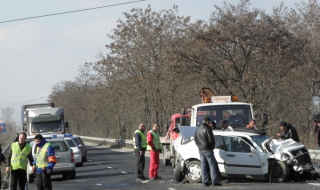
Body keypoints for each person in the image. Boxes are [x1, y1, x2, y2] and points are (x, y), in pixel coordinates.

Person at [194, 117, 221, 186]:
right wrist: (212, 147)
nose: (210, 123)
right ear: (207, 122)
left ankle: (205, 181)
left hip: (201, 150)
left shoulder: (198, 129)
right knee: (212, 165)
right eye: (209, 122)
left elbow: (195, 139)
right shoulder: (208, 129)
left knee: (203, 165)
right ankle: (214, 181)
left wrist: (199, 146)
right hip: (208, 149)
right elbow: (211, 139)